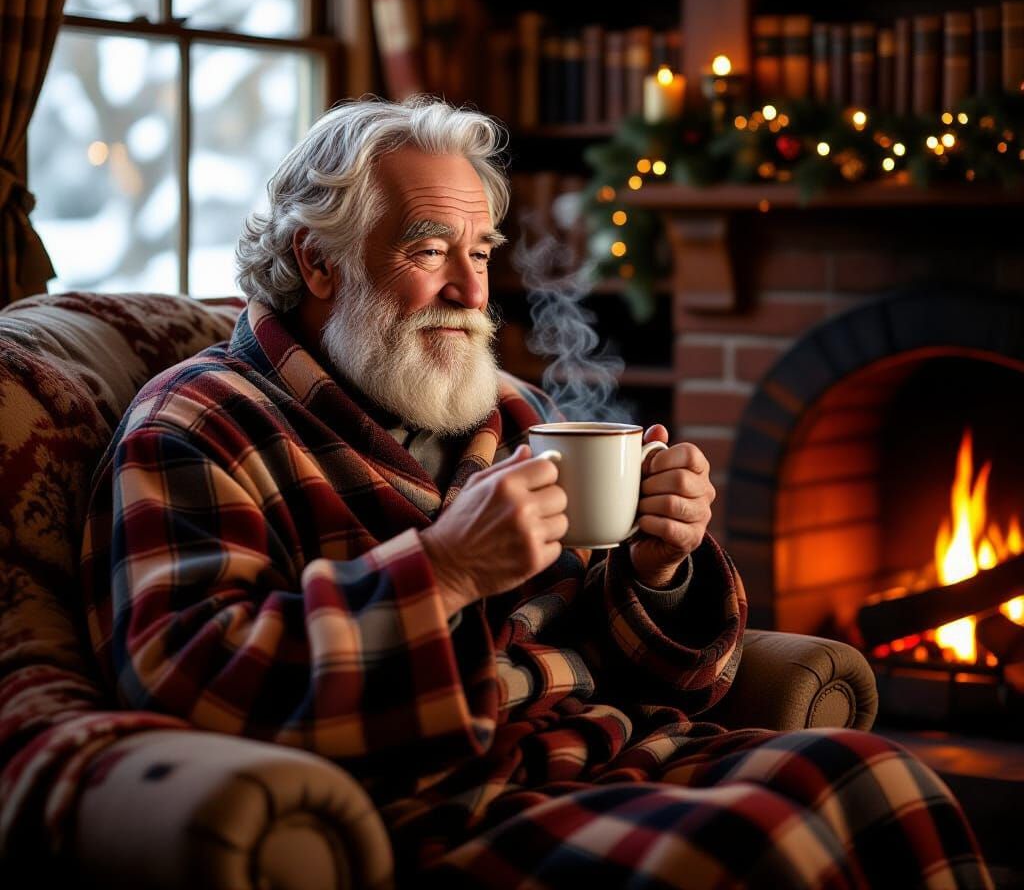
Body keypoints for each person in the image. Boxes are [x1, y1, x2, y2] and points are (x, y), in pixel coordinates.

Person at [81, 96, 991, 889]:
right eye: (429, 248)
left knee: (883, 782)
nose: (474, 290)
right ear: (318, 263)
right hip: (444, 794)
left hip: (613, 750)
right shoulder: (198, 424)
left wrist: (661, 565)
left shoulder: (511, 410)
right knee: (754, 846)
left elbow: (676, 676)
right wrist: (440, 570)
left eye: (481, 250)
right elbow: (186, 674)